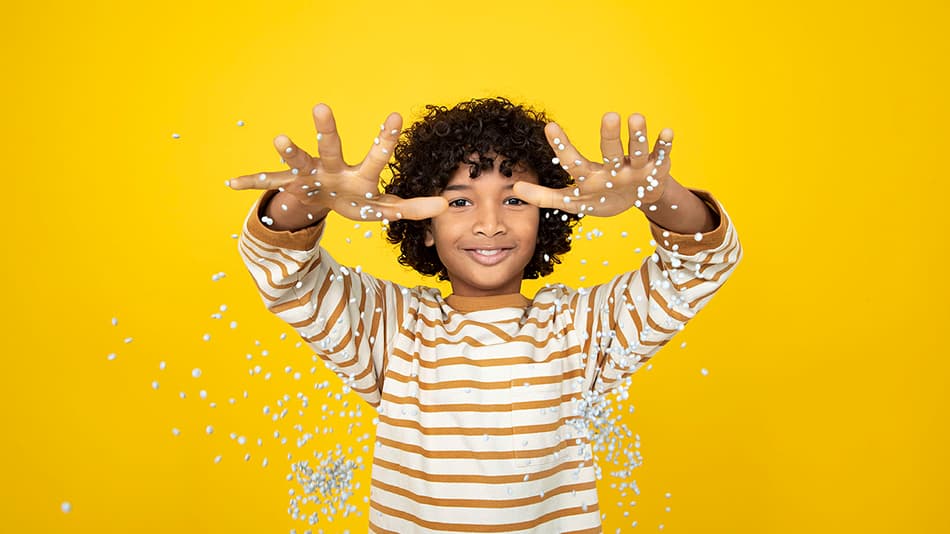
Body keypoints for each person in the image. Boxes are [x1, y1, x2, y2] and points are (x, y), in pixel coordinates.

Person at [228, 97, 742, 533]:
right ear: (422, 223)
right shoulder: (392, 329)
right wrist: (305, 202)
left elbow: (699, 266)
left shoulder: (579, 331)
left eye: (515, 199)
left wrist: (658, 198)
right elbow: (283, 269)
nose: (490, 223)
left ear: (546, 217)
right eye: (459, 203)